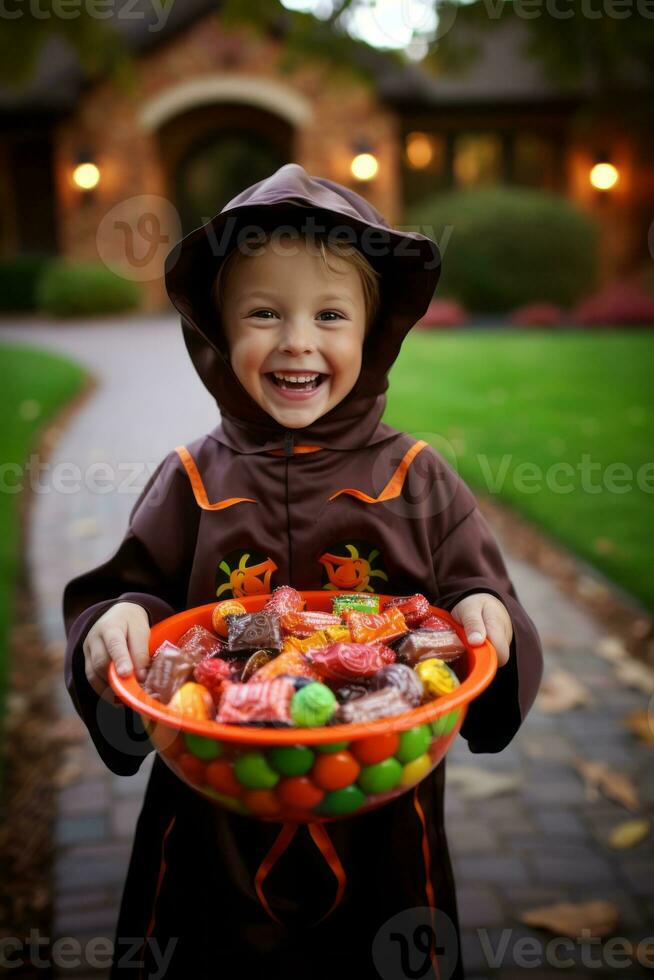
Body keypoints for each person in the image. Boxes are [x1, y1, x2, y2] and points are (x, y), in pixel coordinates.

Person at [63, 163, 543, 980]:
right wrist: (115, 620)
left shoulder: (417, 477)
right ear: (217, 330)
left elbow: (477, 597)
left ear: (372, 331)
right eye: (263, 314)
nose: (296, 341)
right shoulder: (190, 479)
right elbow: (131, 589)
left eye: (329, 314)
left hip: (383, 810)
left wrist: (489, 615)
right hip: (211, 808)